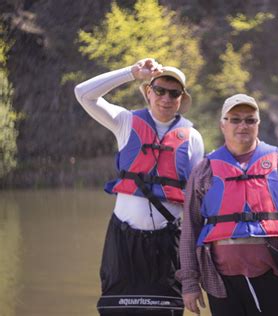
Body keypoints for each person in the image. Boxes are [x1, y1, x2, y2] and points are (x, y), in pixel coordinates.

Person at [74, 58, 204, 315]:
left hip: (168, 244)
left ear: (181, 98)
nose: (166, 98)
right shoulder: (125, 122)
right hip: (123, 241)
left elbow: (196, 204)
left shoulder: (193, 138)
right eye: (160, 90)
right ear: (148, 92)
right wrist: (132, 72)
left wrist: (194, 268)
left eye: (174, 93)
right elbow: (83, 94)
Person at [176, 93, 278, 316]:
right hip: (221, 280)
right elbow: (190, 228)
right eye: (235, 119)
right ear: (222, 125)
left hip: (274, 275)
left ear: (258, 124)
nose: (242, 125)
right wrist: (189, 282)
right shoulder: (204, 170)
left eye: (250, 119)